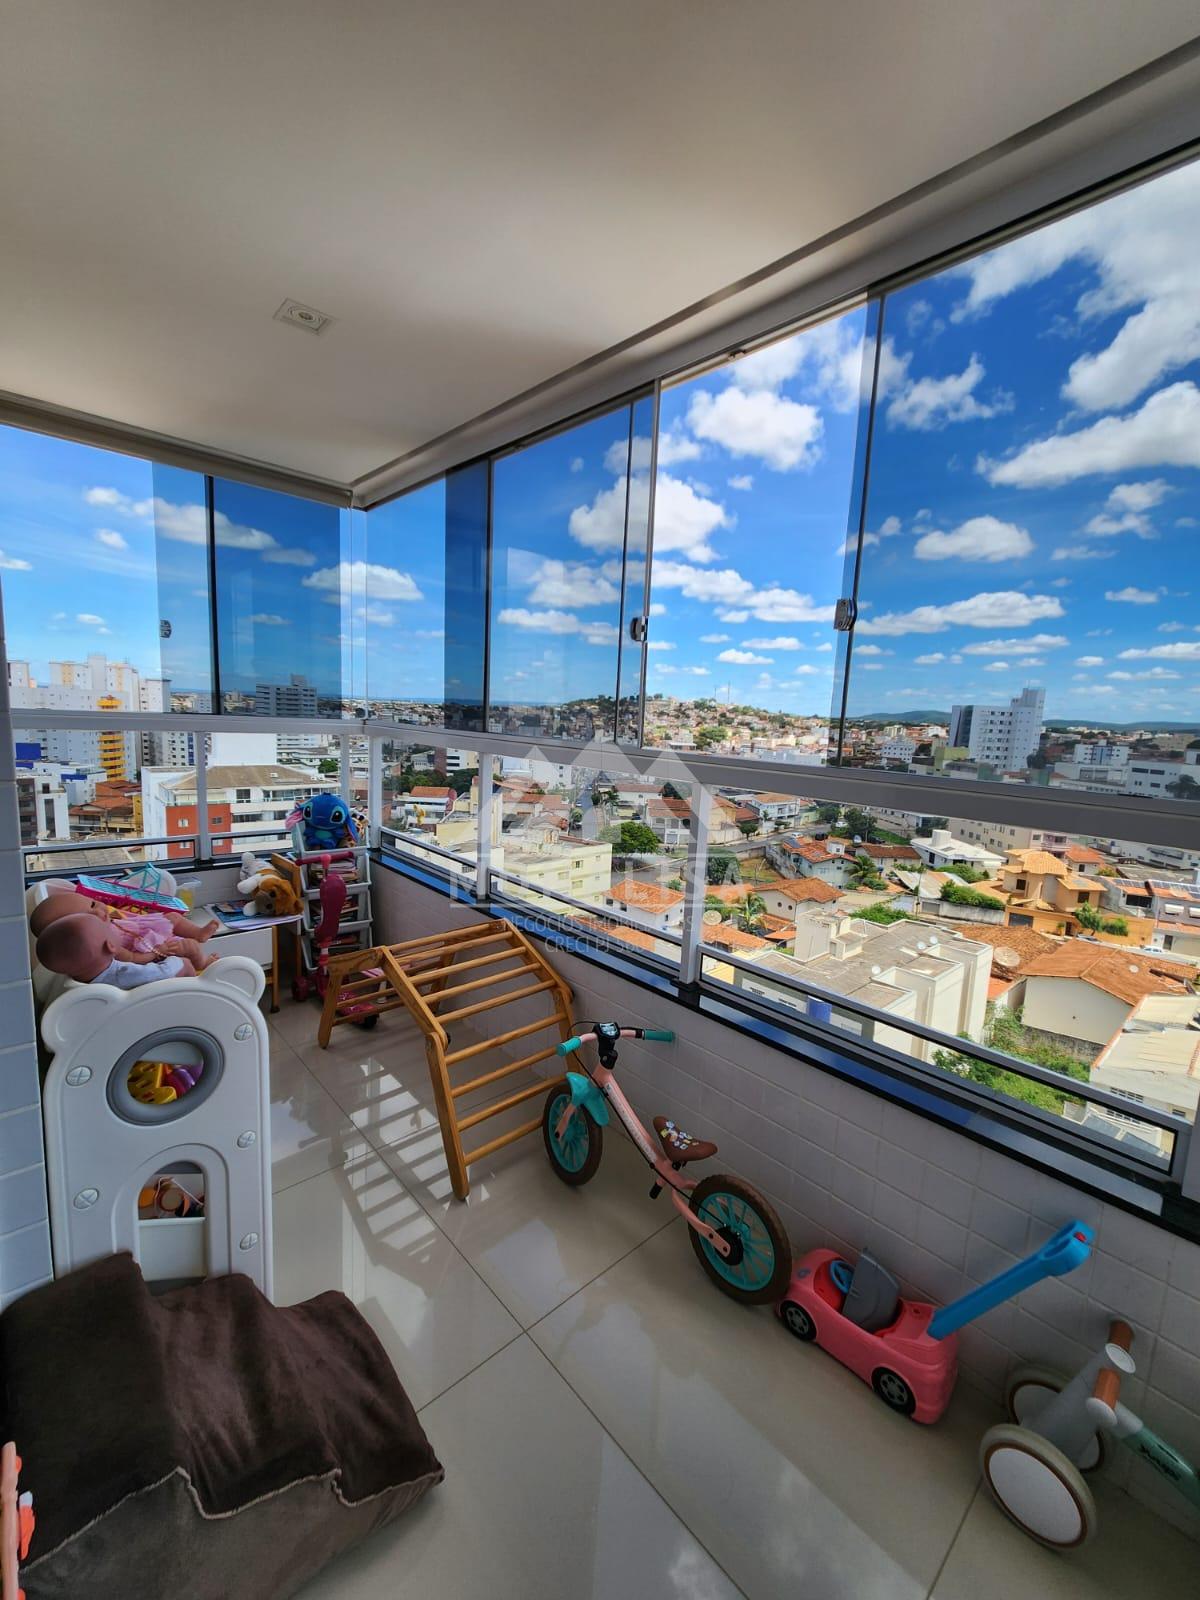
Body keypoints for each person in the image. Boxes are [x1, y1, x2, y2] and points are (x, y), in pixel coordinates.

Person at [29, 891, 217, 970]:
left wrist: (146, 919)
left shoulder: (105, 921)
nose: (99, 912)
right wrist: (156, 953)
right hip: (152, 949)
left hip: (145, 931)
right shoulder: (109, 945)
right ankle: (202, 963)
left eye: (93, 904)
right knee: (189, 947)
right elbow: (132, 958)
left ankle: (198, 933)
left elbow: (127, 919)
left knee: (174, 917)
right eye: (88, 917)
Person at [36, 913, 199, 989]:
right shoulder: (120, 974)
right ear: (111, 946)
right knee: (184, 963)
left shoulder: (80, 971)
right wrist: (177, 961)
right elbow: (161, 973)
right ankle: (196, 990)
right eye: (108, 928)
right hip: (146, 1003)